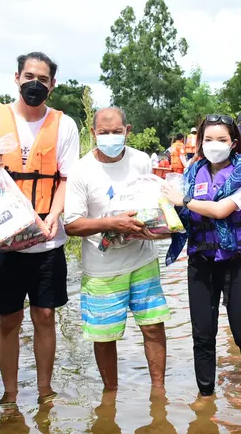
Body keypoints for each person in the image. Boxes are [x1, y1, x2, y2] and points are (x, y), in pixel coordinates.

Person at [0, 51, 80, 405]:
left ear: (53, 84)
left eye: (43, 79)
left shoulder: (64, 125)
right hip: (4, 238)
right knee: (8, 319)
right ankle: (10, 394)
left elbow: (66, 177)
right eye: (29, 76)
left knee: (45, 315)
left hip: (47, 237)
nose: (35, 84)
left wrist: (55, 215)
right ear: (16, 78)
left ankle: (45, 390)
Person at [64, 107, 171, 393]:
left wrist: (158, 227)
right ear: (93, 133)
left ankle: (158, 390)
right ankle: (110, 393)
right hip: (102, 269)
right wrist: (112, 223)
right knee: (104, 335)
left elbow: (154, 202)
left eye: (116, 131)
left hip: (142, 260)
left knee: (153, 325)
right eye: (104, 132)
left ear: (128, 130)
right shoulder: (81, 171)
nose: (110, 137)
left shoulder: (140, 161)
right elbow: (72, 225)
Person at [163, 114, 241, 397]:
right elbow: (177, 216)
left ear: (233, 143)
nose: (214, 145)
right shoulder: (191, 173)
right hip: (201, 260)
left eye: (221, 140)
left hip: (237, 262)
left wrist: (182, 201)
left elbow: (221, 210)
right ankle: (205, 397)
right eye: (208, 139)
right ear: (200, 142)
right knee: (203, 335)